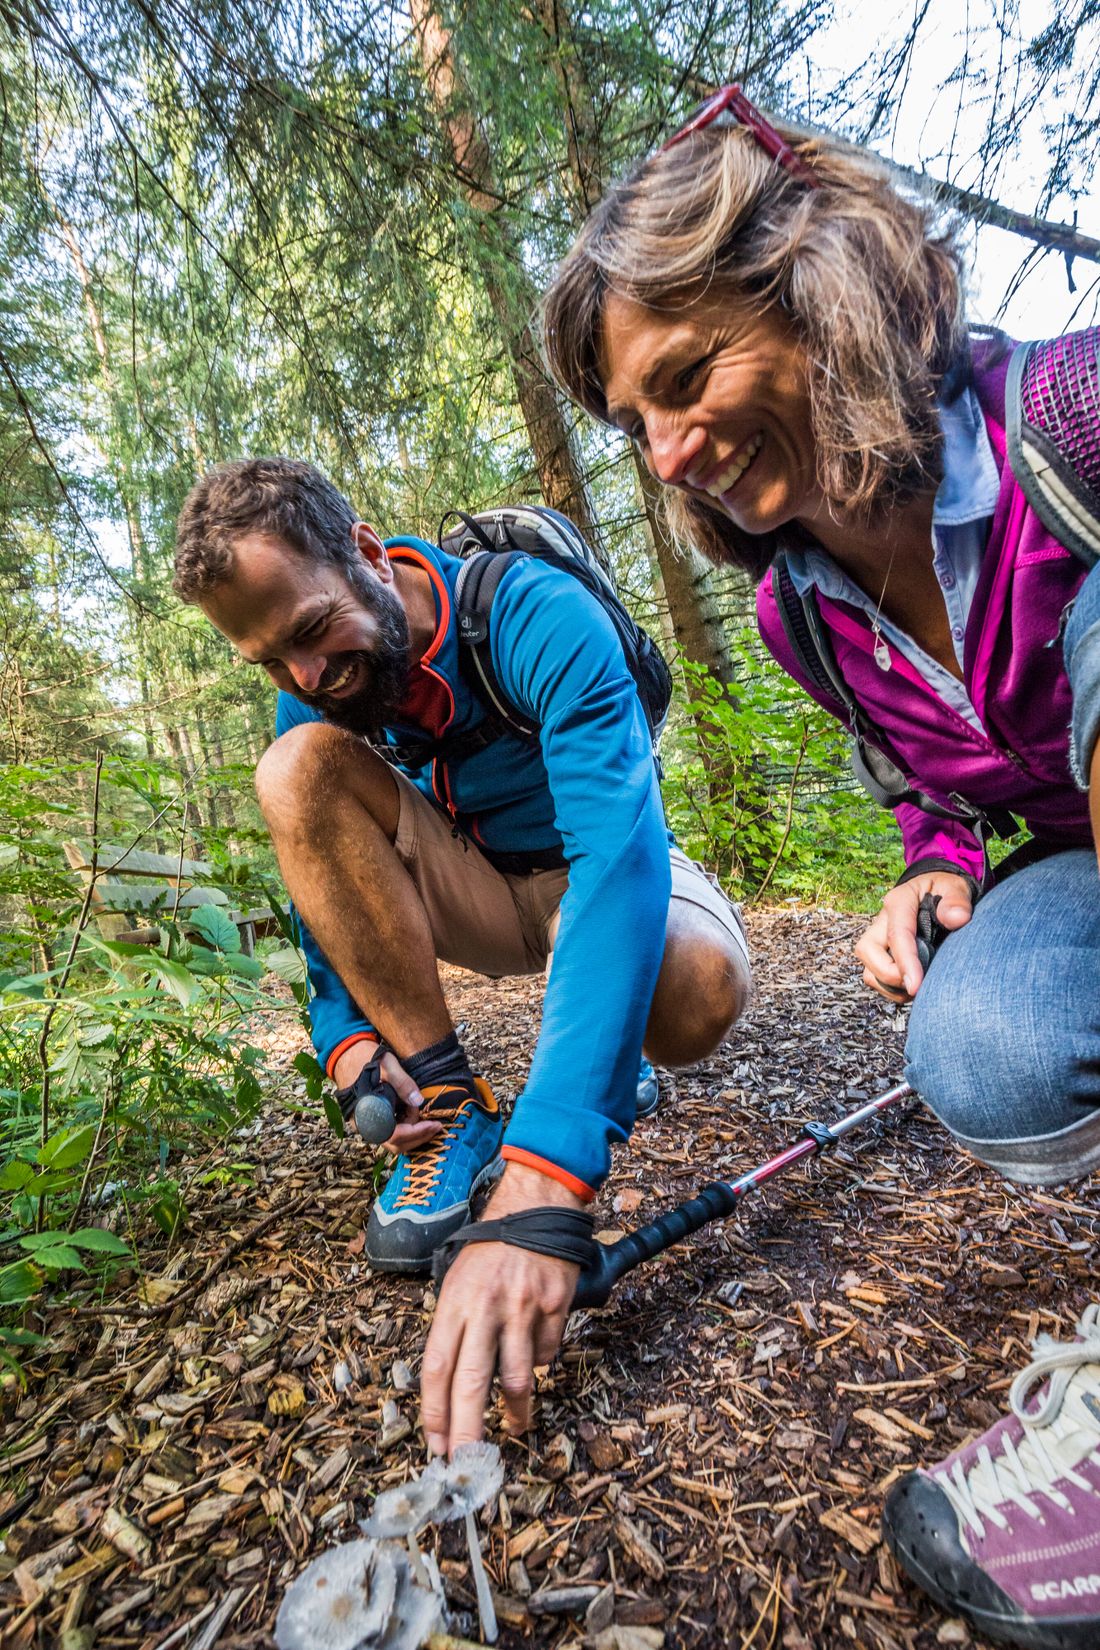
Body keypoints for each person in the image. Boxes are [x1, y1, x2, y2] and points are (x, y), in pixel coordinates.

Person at [541, 86, 1100, 1650]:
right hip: (1072, 859)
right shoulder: (803, 605)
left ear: (821, 286)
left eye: (686, 378)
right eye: (631, 424)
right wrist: (932, 867)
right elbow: (935, 781)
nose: (665, 453)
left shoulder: (1076, 412)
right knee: (972, 1044)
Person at [172, 457, 751, 1456]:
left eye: (311, 630)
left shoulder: (531, 614)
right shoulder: (309, 695)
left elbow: (614, 864)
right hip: (471, 883)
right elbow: (319, 865)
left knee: (697, 994)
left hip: (594, 868)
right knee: (292, 768)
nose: (307, 676)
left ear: (362, 554)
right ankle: (449, 1106)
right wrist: (344, 1036)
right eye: (270, 660)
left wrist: (548, 1171)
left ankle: (604, 1060)